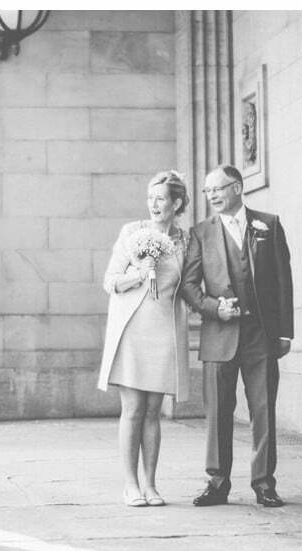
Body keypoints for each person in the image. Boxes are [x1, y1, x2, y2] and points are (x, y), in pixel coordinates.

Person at [180, 164, 293, 508]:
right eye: (207, 191)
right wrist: (215, 308)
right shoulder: (201, 232)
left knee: (264, 411)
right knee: (217, 414)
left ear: (238, 187)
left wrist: (285, 333)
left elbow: (283, 281)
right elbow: (188, 284)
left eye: (218, 188)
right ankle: (217, 483)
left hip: (261, 335)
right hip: (219, 336)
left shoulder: (268, 225)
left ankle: (264, 483)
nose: (212, 195)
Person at [98, 170, 190, 507]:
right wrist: (139, 273)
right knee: (133, 408)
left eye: (161, 198)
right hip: (132, 327)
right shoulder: (132, 232)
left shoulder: (185, 240)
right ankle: (130, 484)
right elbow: (110, 280)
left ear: (176, 202)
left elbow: (189, 286)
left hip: (164, 328)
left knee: (153, 410)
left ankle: (151, 484)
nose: (153, 204)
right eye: (150, 197)